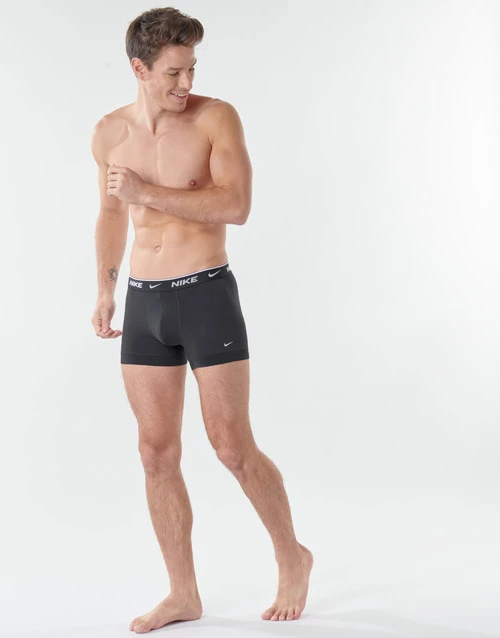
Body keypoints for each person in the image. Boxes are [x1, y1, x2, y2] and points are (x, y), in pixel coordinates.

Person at [90, 7, 313, 634]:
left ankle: (292, 557)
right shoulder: (109, 133)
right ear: (139, 69)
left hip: (206, 293)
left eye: (191, 69)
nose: (186, 83)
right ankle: (183, 593)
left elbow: (236, 205)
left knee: (231, 445)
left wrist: (146, 193)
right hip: (145, 301)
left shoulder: (217, 118)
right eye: (173, 72)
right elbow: (110, 214)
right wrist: (106, 289)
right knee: (155, 453)